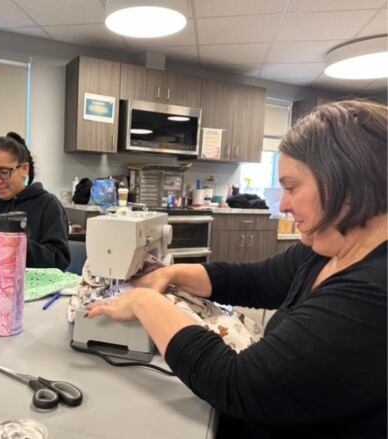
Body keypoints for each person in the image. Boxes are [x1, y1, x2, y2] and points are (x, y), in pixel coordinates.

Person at [86, 100, 387, 438]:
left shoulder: (373, 293)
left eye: (291, 187)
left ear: (344, 181)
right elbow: (253, 280)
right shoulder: (325, 249)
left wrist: (146, 302)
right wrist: (170, 274)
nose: (284, 204)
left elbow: (237, 382)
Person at [0, 132, 71, 271]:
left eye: (4, 172)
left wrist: (18, 247)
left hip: (31, 290)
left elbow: (60, 259)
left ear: (24, 169)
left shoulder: (48, 205)